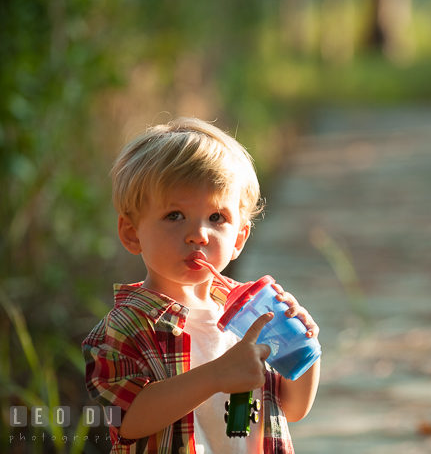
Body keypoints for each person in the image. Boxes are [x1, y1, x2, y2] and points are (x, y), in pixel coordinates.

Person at [82, 117, 320, 454]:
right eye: (175, 215)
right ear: (132, 233)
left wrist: (303, 346)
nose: (199, 234)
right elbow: (127, 420)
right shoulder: (127, 326)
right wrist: (215, 376)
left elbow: (294, 409)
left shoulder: (254, 312)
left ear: (239, 237)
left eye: (216, 218)